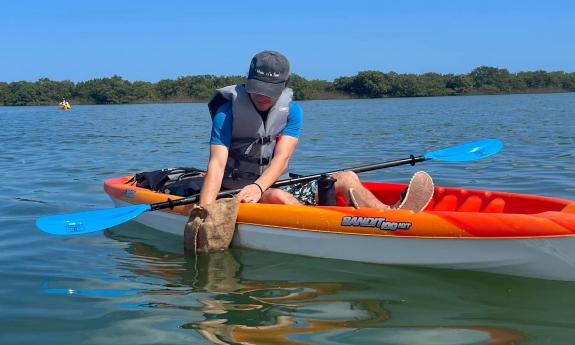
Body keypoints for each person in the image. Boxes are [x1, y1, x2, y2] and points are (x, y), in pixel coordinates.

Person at [199, 50, 434, 211]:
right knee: (280, 198)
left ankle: (390, 215)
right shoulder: (227, 112)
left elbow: (282, 159)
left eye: (270, 91)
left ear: (285, 85)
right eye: (258, 88)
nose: (263, 96)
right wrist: (206, 210)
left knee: (347, 178)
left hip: (273, 183)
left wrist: (260, 186)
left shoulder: (292, 111)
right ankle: (324, 222)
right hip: (237, 189)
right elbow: (217, 164)